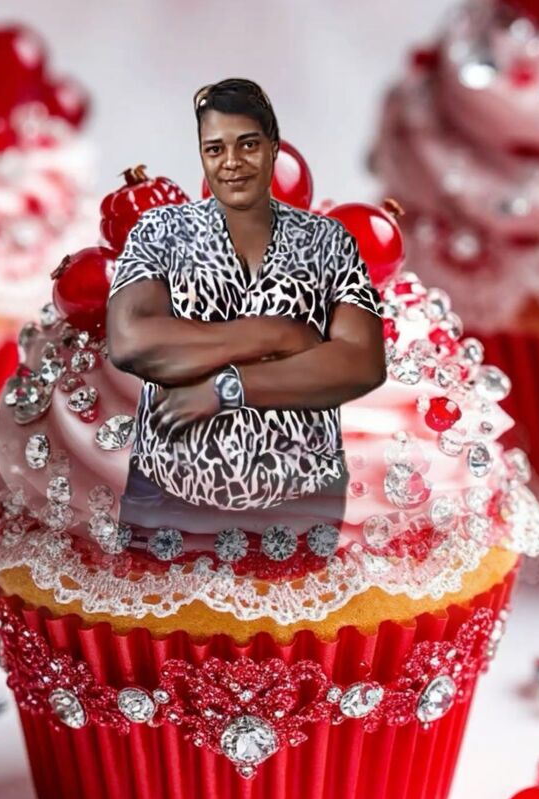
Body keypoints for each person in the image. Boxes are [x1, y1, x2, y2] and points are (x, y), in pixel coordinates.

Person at [107, 78, 386, 558]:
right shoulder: (160, 231)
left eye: (248, 145)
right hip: (166, 499)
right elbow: (134, 341)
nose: (231, 162)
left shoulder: (328, 241)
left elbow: (360, 362)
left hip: (305, 502)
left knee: (310, 611)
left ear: (274, 148)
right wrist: (277, 333)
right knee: (144, 605)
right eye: (214, 148)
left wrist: (227, 389)